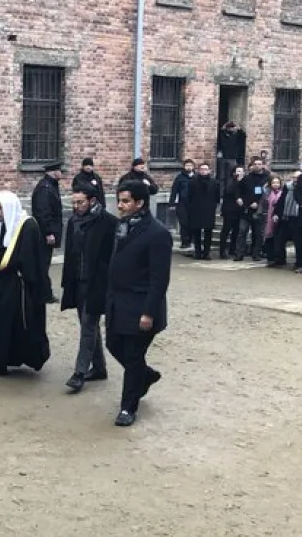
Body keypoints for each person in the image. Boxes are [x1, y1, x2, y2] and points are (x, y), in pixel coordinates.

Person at [106, 180, 173, 427]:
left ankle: (128, 408)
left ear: (140, 203)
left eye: (125, 201)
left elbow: (159, 279)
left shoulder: (157, 234)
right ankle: (145, 376)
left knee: (133, 356)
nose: (120, 206)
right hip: (117, 302)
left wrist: (149, 312)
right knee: (113, 344)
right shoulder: (122, 227)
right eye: (119, 201)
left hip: (140, 306)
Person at [0, 191, 51, 377]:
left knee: (7, 324)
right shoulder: (0, 225)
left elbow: (27, 259)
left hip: (14, 287)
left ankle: (1, 361)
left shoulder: (27, 226)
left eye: (0, 208)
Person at [60, 184, 117, 393]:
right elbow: (70, 253)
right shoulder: (74, 221)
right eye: (73, 202)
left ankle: (79, 373)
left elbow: (115, 255)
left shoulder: (109, 223)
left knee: (88, 325)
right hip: (78, 281)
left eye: (80, 202)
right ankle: (100, 368)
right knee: (89, 325)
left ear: (92, 201)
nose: (76, 206)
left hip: (97, 283)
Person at [31, 160, 63, 303]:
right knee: (43, 264)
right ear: (54, 172)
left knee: (44, 263)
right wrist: (48, 232)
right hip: (44, 234)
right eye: (59, 170)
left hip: (47, 232)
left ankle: (44, 293)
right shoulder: (45, 188)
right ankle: (43, 294)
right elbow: (43, 212)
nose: (61, 173)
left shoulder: (50, 186)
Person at [234, 157, 270, 262]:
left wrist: (258, 203)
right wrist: (238, 198)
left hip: (259, 210)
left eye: (259, 164)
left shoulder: (267, 178)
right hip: (246, 209)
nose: (257, 166)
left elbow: (267, 193)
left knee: (258, 233)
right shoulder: (247, 178)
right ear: (252, 165)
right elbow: (238, 189)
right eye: (255, 164)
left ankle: (256, 254)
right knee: (242, 232)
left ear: (263, 165)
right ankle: (239, 253)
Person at [186, 163, 220, 260]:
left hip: (209, 210)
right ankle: (197, 252)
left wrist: (214, 206)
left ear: (209, 171)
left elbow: (217, 197)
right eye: (201, 169)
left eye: (205, 169)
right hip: (196, 210)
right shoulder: (193, 182)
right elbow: (189, 196)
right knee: (196, 232)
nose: (203, 171)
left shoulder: (215, 182)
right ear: (199, 170)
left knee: (208, 232)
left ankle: (206, 252)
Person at [271, 171, 302, 269]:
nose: (295, 179)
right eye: (294, 177)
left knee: (299, 242)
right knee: (279, 238)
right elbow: (281, 201)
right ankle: (279, 260)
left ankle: (299, 264)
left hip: (298, 218)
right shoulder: (288, 187)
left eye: (297, 177)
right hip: (285, 217)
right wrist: (276, 213)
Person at [219, 166, 245, 259]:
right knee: (226, 230)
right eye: (238, 171)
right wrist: (237, 181)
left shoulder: (244, 181)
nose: (240, 173)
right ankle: (222, 251)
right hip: (229, 210)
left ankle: (232, 249)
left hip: (239, 210)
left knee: (236, 231)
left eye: (242, 171)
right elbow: (229, 191)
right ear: (234, 172)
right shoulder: (231, 181)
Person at [168, 159, 196, 249]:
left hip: (194, 203)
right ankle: (184, 242)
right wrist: (171, 203)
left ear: (193, 167)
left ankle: (191, 240)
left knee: (192, 223)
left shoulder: (196, 177)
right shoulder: (179, 178)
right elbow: (174, 191)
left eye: (190, 165)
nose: (189, 167)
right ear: (184, 167)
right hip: (182, 203)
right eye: (187, 165)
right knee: (183, 223)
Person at [262, 175, 286, 265]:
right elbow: (264, 205)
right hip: (268, 218)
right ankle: (270, 258)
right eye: (273, 183)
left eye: (277, 183)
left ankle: (280, 259)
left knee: (279, 239)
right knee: (269, 238)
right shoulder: (267, 194)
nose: (275, 184)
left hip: (280, 219)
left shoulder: (283, 193)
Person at [216, 121, 247, 189]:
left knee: (231, 176)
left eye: (232, 128)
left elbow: (244, 136)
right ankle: (221, 194)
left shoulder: (237, 136)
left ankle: (228, 191)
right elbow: (219, 134)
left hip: (233, 158)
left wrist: (239, 128)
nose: (231, 129)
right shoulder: (223, 134)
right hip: (223, 158)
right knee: (221, 177)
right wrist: (224, 127)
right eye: (229, 128)